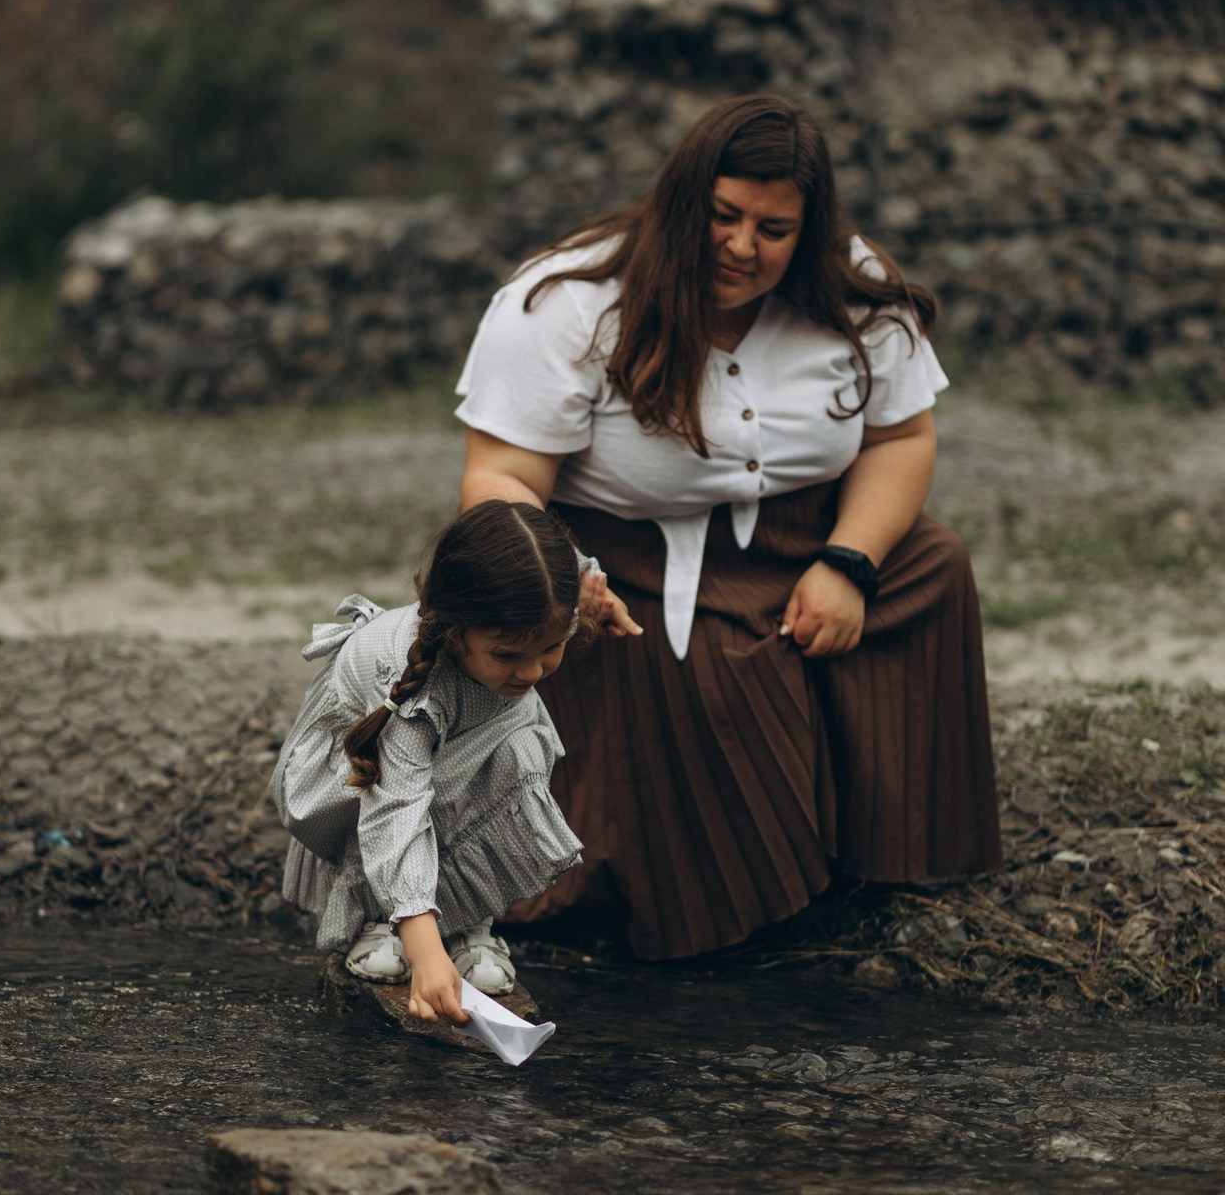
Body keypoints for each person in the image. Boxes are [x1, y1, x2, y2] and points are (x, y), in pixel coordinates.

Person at [454, 92, 1003, 961]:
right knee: (719, 681)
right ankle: (752, 898)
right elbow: (500, 479)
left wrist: (850, 563)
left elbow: (901, 439)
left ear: (809, 232)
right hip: (625, 568)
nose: (744, 247)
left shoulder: (853, 288)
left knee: (931, 564)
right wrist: (566, 579)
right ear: (683, 202)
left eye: (775, 230)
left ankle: (877, 857)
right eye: (724, 216)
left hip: (810, 539)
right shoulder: (568, 301)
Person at [270, 499, 593, 1024]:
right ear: (455, 629)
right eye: (508, 655)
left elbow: (573, 566)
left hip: (472, 731)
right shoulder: (414, 688)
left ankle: (469, 924)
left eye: (551, 647)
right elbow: (395, 809)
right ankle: (380, 918)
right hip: (362, 767)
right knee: (409, 793)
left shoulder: (546, 595)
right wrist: (426, 957)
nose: (532, 672)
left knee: (511, 758)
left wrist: (599, 594)